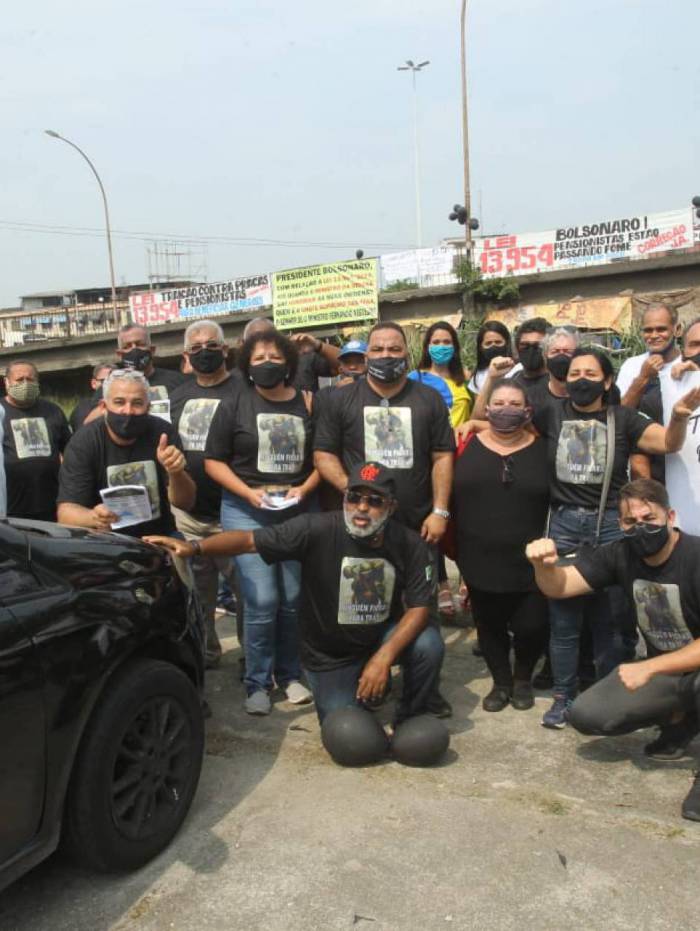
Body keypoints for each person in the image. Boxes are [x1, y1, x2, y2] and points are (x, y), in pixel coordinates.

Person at [145, 462, 444, 726]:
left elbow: (419, 607)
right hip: (331, 653)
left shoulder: (409, 544)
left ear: (391, 507)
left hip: (378, 636)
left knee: (428, 643)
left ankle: (410, 714)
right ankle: (359, 687)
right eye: (354, 497)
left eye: (374, 501)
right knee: (349, 732)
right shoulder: (316, 528)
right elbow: (249, 540)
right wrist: (195, 547)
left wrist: (383, 658)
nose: (362, 508)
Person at [531, 345, 700, 728]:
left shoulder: (623, 418)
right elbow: (510, 431)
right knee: (563, 620)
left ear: (608, 381)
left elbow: (668, 443)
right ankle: (563, 695)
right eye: (574, 373)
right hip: (563, 522)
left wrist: (677, 417)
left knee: (613, 618)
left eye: (591, 374)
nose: (581, 380)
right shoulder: (550, 413)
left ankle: (611, 690)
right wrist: (475, 423)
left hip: (614, 522)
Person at [525, 479, 700, 822]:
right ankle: (681, 720)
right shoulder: (620, 553)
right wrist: (542, 566)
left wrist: (649, 667)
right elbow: (560, 588)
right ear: (619, 524)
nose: (641, 527)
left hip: (681, 668)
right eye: (630, 521)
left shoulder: (695, 557)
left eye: (649, 518)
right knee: (587, 714)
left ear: (671, 515)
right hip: (670, 672)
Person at [314, 320, 454, 716]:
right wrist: (356, 497)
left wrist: (441, 510)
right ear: (366, 354)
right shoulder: (340, 400)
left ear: (406, 354)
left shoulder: (427, 399)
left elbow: (443, 455)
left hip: (417, 526)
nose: (386, 356)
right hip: (362, 528)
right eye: (378, 349)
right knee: (364, 601)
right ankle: (367, 676)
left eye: (394, 350)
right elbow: (323, 454)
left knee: (420, 608)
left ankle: (425, 688)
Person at [204, 328, 319, 716]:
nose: (267, 364)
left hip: (296, 510)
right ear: (246, 366)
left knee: (290, 599)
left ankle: (289, 676)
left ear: (288, 360)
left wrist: (304, 489)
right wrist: (247, 492)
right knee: (261, 599)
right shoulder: (234, 404)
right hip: (246, 508)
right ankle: (256, 682)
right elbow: (213, 461)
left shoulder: (307, 403)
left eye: (274, 357)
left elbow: (324, 457)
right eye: (258, 358)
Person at [452, 381, 549, 710]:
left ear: (527, 411)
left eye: (514, 403)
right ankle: (501, 682)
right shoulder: (463, 443)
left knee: (532, 625)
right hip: (478, 557)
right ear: (487, 409)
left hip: (532, 561)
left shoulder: (544, 448)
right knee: (488, 624)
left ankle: (523, 678)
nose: (506, 409)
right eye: (499, 403)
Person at [170, 320, 241, 668]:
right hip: (190, 518)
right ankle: (208, 656)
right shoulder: (178, 396)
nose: (204, 352)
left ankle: (254, 660)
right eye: (196, 347)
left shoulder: (245, 390)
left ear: (225, 350)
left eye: (211, 345)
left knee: (250, 597)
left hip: (234, 516)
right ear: (186, 355)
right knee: (197, 599)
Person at [57, 369, 195, 536]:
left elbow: (186, 502)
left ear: (148, 407)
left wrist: (176, 473)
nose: (128, 411)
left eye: (137, 403)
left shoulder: (163, 434)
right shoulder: (84, 442)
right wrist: (93, 517)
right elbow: (65, 513)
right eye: (119, 402)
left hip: (158, 536)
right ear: (103, 407)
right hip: (107, 541)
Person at [408, 320, 472, 616]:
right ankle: (442, 584)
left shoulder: (466, 380)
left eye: (447, 342)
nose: (441, 347)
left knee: (461, 522)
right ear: (426, 346)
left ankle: (468, 578)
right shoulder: (414, 378)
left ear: (455, 347)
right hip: (425, 461)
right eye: (436, 341)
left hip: (459, 461)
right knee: (430, 522)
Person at [618, 303, 682, 483]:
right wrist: (643, 378)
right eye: (648, 330)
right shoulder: (631, 366)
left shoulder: (688, 366)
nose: (654, 336)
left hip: (684, 457)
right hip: (644, 464)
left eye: (661, 329)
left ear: (676, 330)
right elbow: (620, 414)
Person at [1, 361, 71, 522]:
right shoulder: (0, 412)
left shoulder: (52, 410)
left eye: (30, 379)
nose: (25, 384)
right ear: (7, 382)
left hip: (50, 504)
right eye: (19, 380)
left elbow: (69, 451)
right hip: (11, 508)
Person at [472, 317, 550, 418]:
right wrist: (491, 378)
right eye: (525, 345)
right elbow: (479, 418)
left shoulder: (558, 383)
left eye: (538, 345)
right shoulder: (513, 382)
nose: (531, 350)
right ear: (517, 349)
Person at [115, 324, 187, 399]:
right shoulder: (112, 389)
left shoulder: (180, 382)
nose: (134, 349)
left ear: (152, 350)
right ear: (120, 354)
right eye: (127, 347)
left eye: (140, 344)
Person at [467, 321, 514, 396]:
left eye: (498, 342)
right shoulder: (478, 376)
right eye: (488, 343)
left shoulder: (518, 370)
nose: (493, 346)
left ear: (507, 343)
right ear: (481, 347)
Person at [69, 363, 114, 432]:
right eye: (104, 381)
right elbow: (82, 434)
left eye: (114, 380)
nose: (110, 385)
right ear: (93, 383)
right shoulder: (82, 409)